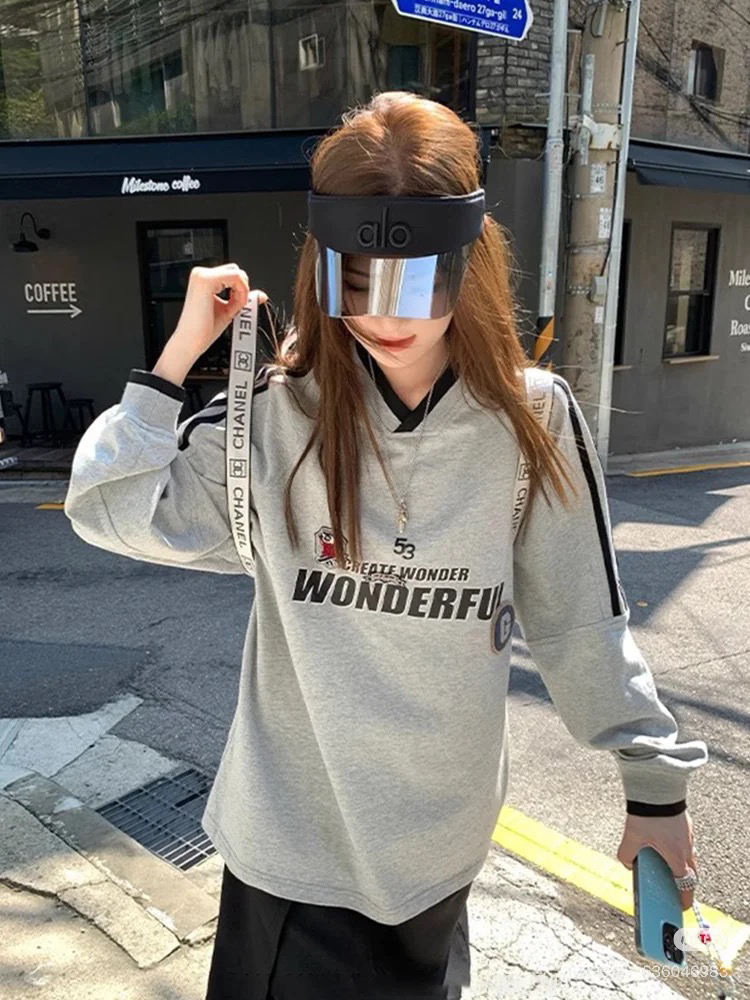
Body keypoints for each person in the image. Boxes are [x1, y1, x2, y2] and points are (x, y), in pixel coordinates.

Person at [64, 92, 708, 1000]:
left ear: (470, 262)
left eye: (416, 279)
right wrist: (175, 359)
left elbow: (579, 623)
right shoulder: (276, 414)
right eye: (354, 279)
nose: (381, 314)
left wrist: (655, 786)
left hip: (440, 858)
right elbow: (108, 509)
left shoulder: (531, 419)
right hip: (294, 859)